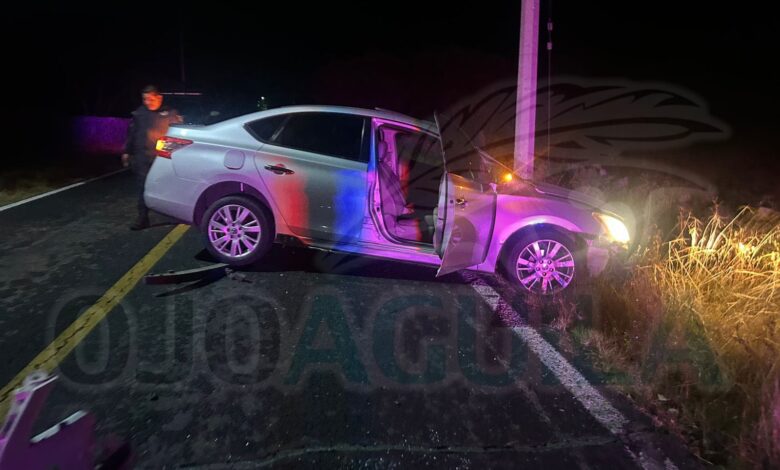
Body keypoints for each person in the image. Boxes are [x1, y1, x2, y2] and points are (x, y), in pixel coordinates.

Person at [122, 85, 182, 230]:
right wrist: (127, 152)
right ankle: (143, 219)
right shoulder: (139, 113)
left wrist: (172, 154)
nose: (148, 102)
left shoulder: (170, 113)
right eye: (145, 99)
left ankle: (173, 215)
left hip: (162, 158)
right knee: (143, 188)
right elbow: (132, 133)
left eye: (151, 99)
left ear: (159, 97)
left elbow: (177, 135)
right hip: (142, 157)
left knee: (167, 186)